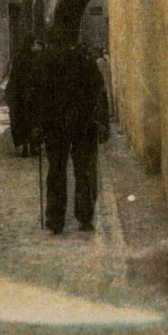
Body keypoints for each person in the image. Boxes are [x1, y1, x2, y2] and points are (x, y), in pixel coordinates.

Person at [35, 33, 110, 234]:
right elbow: (100, 95)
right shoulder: (85, 64)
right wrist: (102, 123)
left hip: (64, 126)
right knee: (81, 171)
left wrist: (39, 126)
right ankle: (78, 216)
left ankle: (57, 218)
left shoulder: (49, 65)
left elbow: (39, 98)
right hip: (78, 126)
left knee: (61, 171)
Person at [5, 35, 44, 157]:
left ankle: (24, 146)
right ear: (32, 44)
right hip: (32, 96)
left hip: (19, 96)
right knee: (33, 121)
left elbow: (12, 79)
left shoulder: (17, 58)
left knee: (20, 121)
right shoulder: (36, 59)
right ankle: (33, 146)